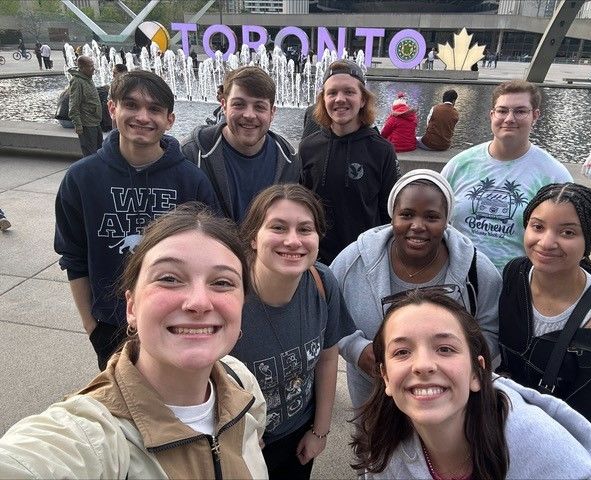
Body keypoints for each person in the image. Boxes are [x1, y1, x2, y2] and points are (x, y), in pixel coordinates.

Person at [0, 205, 268, 479]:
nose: (199, 302)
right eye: (169, 278)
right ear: (131, 307)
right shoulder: (90, 438)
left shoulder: (239, 380)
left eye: (222, 282)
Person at [351, 288, 591, 479]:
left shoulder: (542, 448)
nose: (423, 365)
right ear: (385, 377)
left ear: (478, 373)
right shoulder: (384, 447)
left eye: (444, 348)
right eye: (402, 352)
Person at [54, 70, 215, 371]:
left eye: (154, 109)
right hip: (111, 325)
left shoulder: (191, 180)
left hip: (176, 319)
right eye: (132, 105)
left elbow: (205, 256)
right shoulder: (81, 179)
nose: (143, 116)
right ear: (112, 109)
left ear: (170, 120)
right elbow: (73, 257)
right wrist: (92, 327)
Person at [332, 169, 501, 409]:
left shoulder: (477, 270)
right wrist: (357, 349)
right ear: (392, 217)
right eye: (407, 214)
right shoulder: (354, 261)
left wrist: (455, 361)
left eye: (432, 217)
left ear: (446, 221)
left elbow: (490, 330)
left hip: (445, 402)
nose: (418, 226)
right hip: (373, 400)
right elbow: (327, 315)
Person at [498, 183, 591, 460]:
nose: (546, 242)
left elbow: (580, 421)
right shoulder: (516, 272)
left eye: (567, 232)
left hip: (582, 430)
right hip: (521, 412)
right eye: (538, 227)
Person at [231, 184, 355, 479]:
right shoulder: (228, 295)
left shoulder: (322, 283)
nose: (292, 241)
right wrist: (236, 430)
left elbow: (327, 358)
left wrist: (320, 431)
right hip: (240, 444)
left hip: (297, 434)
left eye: (304, 229)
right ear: (252, 238)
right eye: (278, 227)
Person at [441, 80, 572, 271]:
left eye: (520, 111)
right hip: (459, 281)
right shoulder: (459, 165)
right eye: (502, 111)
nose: (509, 118)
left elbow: (565, 237)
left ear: (535, 115)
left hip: (517, 284)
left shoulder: (554, 175)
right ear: (492, 115)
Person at [299, 59, 400, 264]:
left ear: (363, 99)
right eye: (332, 93)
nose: (340, 99)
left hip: (363, 260)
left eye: (349, 92)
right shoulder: (308, 148)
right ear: (323, 99)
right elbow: (301, 207)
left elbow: (389, 214)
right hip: (316, 260)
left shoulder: (381, 150)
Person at [181, 66, 299, 222]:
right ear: (224, 106)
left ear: (272, 112)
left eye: (259, 107)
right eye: (239, 104)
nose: (249, 115)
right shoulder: (192, 153)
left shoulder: (289, 159)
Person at [68, 55, 103, 156]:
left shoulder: (87, 78)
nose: (94, 69)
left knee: (98, 152)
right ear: (82, 68)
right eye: (90, 66)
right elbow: (73, 105)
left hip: (95, 122)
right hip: (87, 124)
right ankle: (90, 171)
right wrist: (78, 125)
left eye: (93, 65)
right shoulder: (77, 81)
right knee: (90, 154)